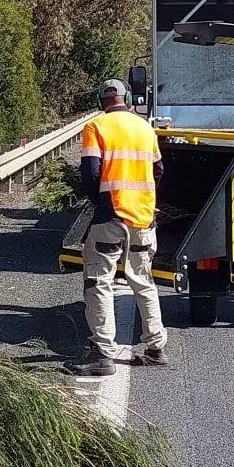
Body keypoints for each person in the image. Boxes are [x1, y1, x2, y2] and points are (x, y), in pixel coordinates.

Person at [64, 78, 167, 377]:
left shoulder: (96, 128)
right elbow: (159, 170)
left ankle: (102, 352)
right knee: (143, 280)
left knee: (98, 281)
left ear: (101, 101)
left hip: (112, 214)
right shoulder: (145, 128)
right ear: (129, 98)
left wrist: (99, 200)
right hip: (144, 215)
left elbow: (91, 171)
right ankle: (155, 347)